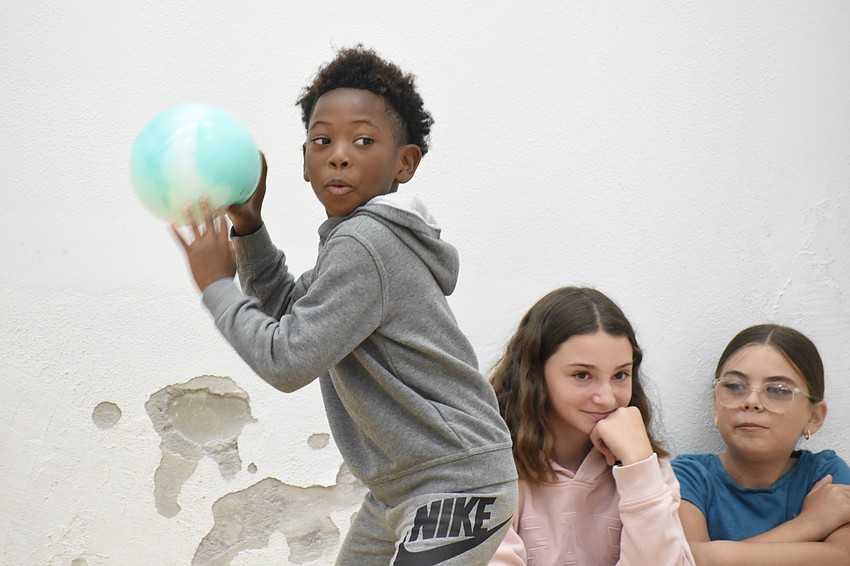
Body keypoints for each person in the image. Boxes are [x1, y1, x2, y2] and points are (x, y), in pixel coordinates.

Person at [171, 45, 517, 565]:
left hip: (456, 485)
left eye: (363, 140)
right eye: (322, 140)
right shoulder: (356, 242)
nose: (339, 153)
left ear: (406, 162)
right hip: (403, 488)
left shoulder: (367, 245)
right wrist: (248, 227)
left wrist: (217, 286)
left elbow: (287, 361)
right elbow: (292, 311)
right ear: (305, 165)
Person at [488, 286, 695, 565]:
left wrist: (638, 467)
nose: (607, 398)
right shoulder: (490, 469)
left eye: (620, 375)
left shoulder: (649, 468)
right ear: (534, 375)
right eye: (582, 375)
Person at [672, 324, 850, 564]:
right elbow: (689, 563)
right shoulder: (688, 477)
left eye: (778, 390)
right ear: (715, 404)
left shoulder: (825, 475)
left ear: (814, 416)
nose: (751, 401)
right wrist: (811, 523)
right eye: (734, 386)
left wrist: (717, 556)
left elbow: (842, 557)